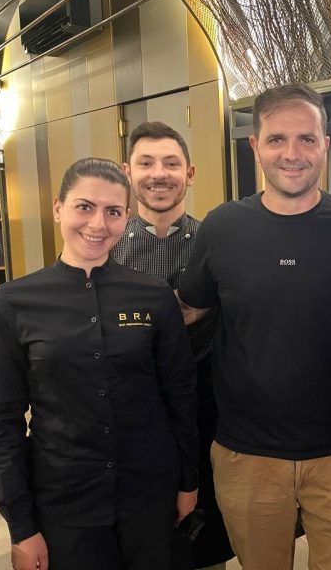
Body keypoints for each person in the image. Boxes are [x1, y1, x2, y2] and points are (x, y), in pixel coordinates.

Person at [177, 83, 331, 570]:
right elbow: (188, 310)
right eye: (277, 139)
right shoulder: (222, 227)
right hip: (247, 457)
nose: (292, 153)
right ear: (255, 146)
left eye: (306, 139)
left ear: (325, 145)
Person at [0, 158, 198, 570]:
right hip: (64, 501)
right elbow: (0, 423)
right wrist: (21, 526)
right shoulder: (13, 303)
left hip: (150, 494)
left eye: (112, 211)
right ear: (58, 208)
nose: (98, 224)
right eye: (84, 207)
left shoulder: (152, 296)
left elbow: (180, 397)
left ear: (126, 218)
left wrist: (189, 482)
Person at [111, 121, 233, 569]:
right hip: (131, 413)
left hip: (207, 410)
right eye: (146, 163)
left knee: (207, 542)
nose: (159, 174)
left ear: (190, 174)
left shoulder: (217, 243)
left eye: (171, 163)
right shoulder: (105, 248)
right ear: (128, 172)